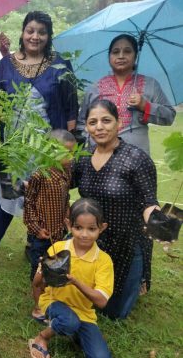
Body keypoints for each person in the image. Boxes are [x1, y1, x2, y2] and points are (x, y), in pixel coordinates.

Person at [0, 11, 79, 267]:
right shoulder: (6, 64)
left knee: (44, 197)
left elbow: (71, 108)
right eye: (30, 30)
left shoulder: (60, 65)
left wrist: (68, 147)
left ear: (48, 36)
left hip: (47, 148)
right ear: (22, 33)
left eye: (42, 32)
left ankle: (36, 245)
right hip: (12, 147)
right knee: (8, 194)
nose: (35, 36)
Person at [74, 99, 160, 320]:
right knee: (79, 298)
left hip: (127, 243)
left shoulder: (136, 159)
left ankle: (136, 277)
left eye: (106, 120)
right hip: (91, 239)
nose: (99, 127)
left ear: (119, 123)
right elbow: (63, 182)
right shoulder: (83, 158)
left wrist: (159, 222)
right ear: (87, 127)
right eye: (93, 122)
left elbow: (149, 202)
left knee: (114, 313)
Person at [29, 198, 113, 358]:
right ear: (69, 225)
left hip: (84, 313)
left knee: (101, 356)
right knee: (69, 321)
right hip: (54, 303)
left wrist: (74, 281)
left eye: (91, 229)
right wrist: (44, 273)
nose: (84, 234)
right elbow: (37, 284)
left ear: (102, 228)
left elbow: (101, 301)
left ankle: (72, 331)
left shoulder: (103, 260)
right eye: (78, 228)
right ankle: (42, 337)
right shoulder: (58, 248)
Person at [78, 34, 176, 155]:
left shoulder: (150, 85)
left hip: (136, 157)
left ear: (135, 56)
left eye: (127, 51)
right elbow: (82, 123)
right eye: (115, 52)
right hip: (100, 155)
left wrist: (145, 106)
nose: (121, 56)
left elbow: (169, 117)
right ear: (109, 57)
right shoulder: (95, 88)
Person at [24, 129, 75, 323]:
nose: (71, 157)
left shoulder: (66, 172)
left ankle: (50, 299)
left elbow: (66, 197)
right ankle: (38, 306)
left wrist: (66, 218)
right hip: (42, 234)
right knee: (39, 269)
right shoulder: (39, 175)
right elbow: (28, 203)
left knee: (54, 266)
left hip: (59, 233)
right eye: (66, 152)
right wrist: (36, 229)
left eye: (72, 152)